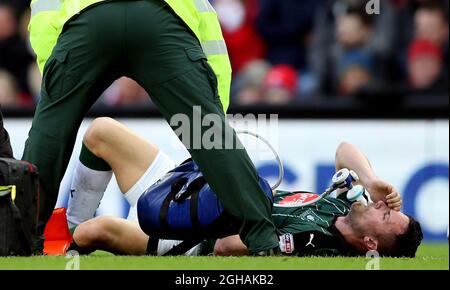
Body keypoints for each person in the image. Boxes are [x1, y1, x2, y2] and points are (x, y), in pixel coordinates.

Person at [24, 0, 279, 255]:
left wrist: (54, 84)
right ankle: (263, 241)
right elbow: (208, 27)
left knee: (50, 134)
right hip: (160, 20)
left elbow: (45, 12)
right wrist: (214, 118)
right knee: (208, 135)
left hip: (90, 20)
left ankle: (22, 239)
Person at [62, 118, 422, 257]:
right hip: (200, 191)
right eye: (385, 204)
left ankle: (62, 243)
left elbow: (224, 247)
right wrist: (371, 181)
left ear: (372, 243)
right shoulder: (340, 206)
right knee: (100, 132)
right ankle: (64, 229)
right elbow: (345, 149)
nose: (379, 205)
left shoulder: (318, 246)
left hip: (190, 231)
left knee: (98, 230)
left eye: (387, 214)